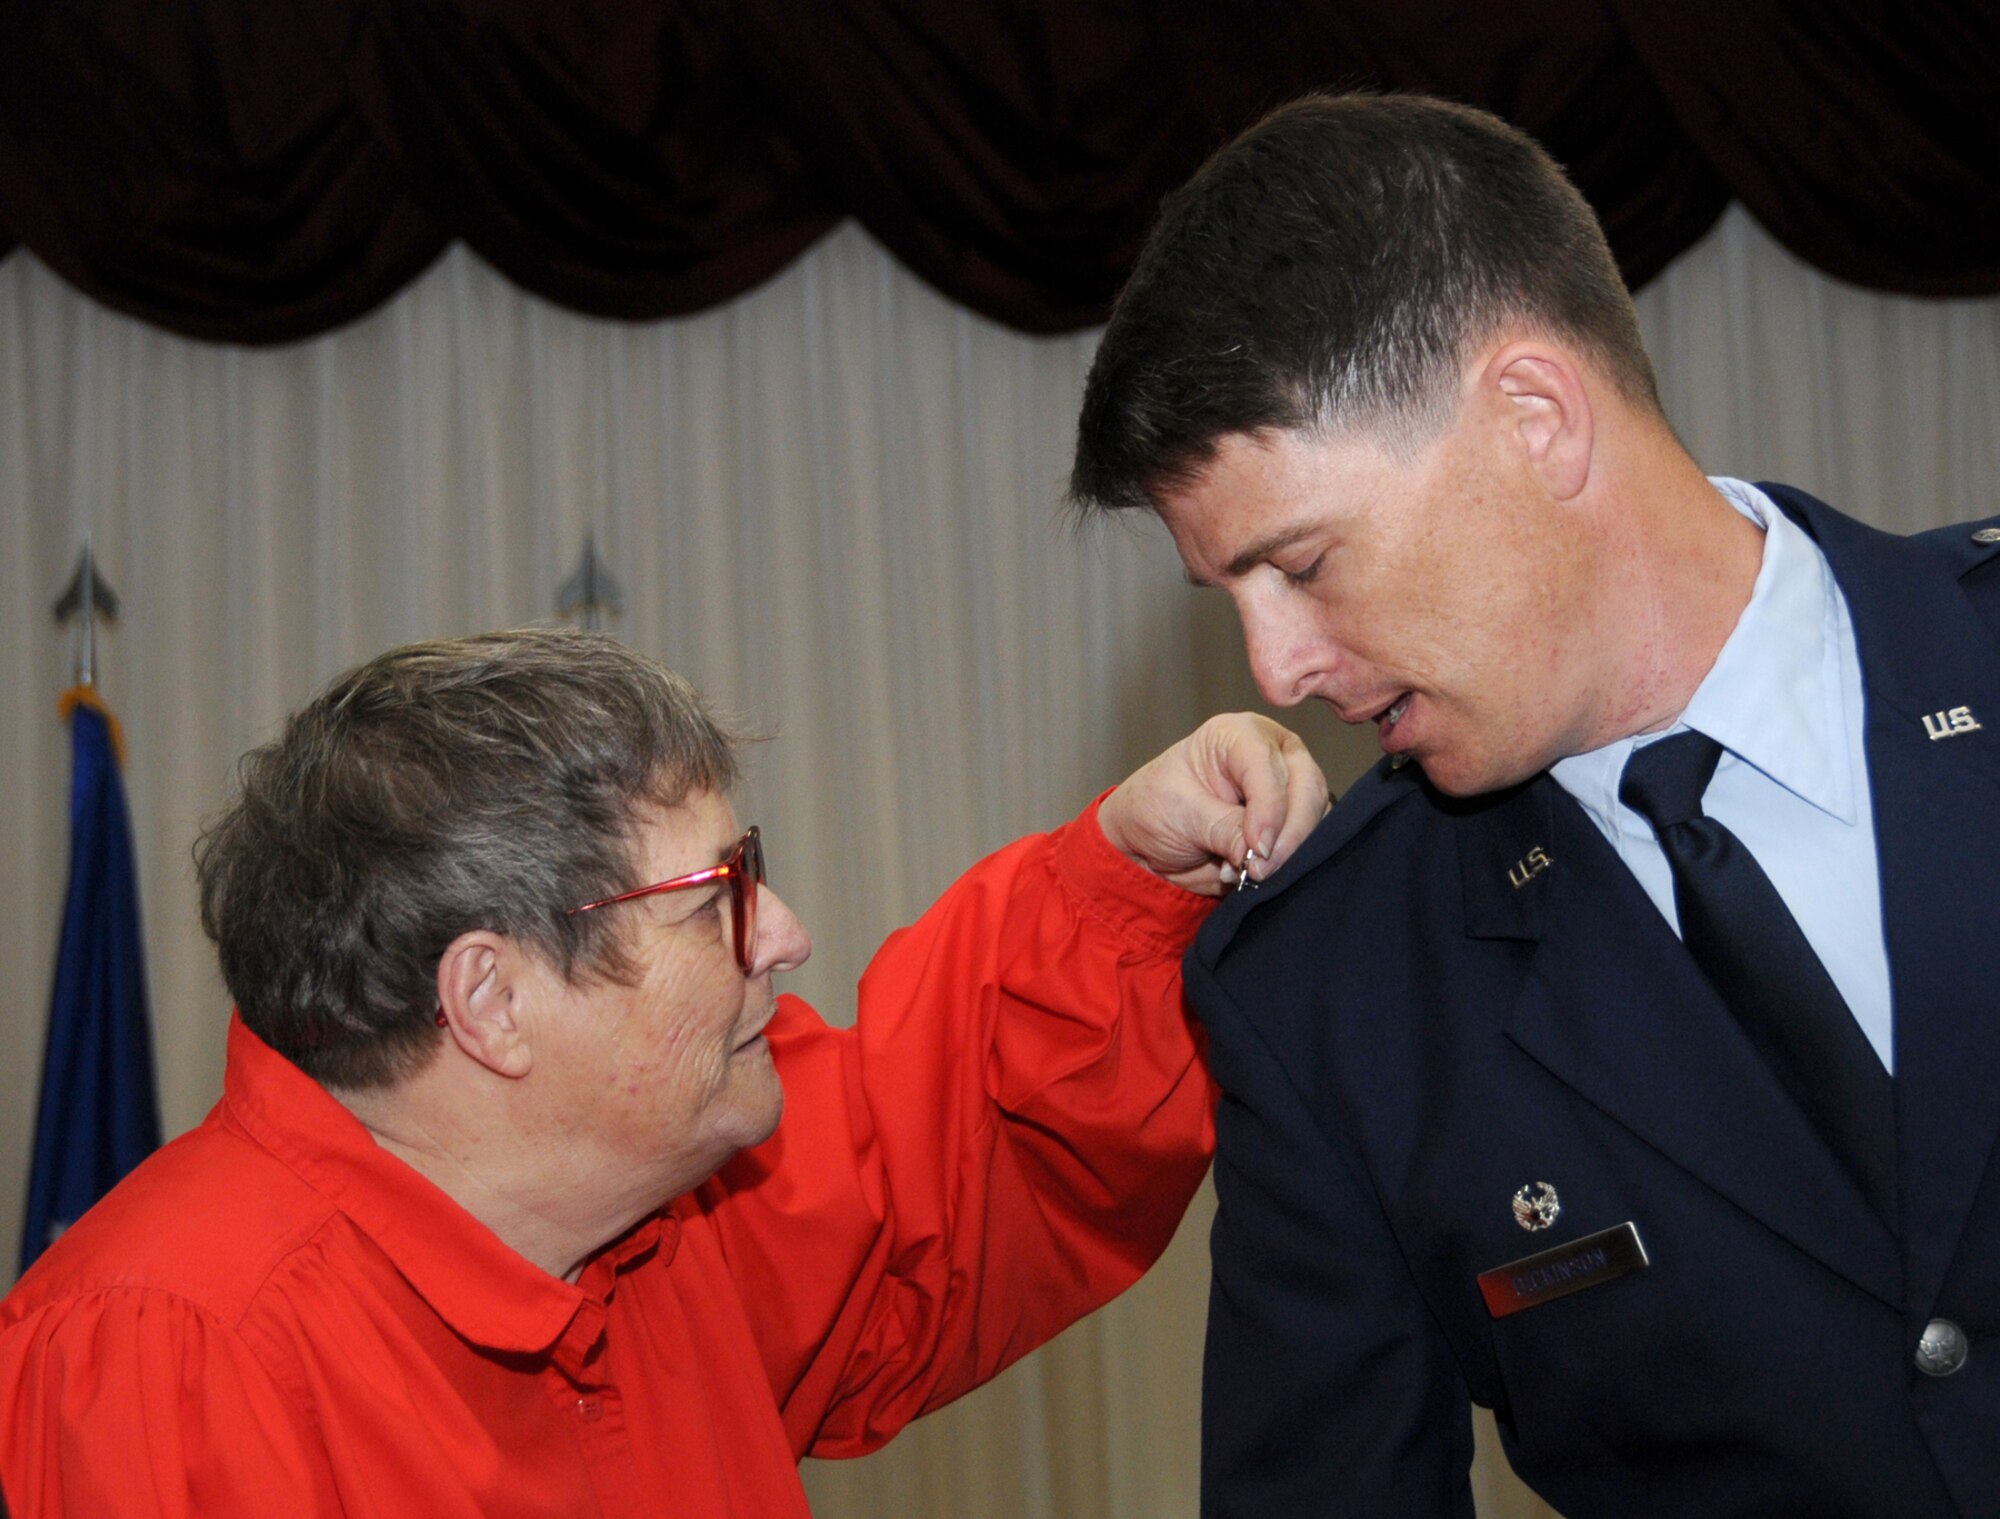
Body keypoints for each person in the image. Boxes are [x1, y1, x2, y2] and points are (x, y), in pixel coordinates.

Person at [1069, 90, 2000, 1519]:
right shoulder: (1335, 985)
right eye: (1233, 601)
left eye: (1305, 566)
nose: (1277, 669)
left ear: (1533, 417)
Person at [0, 626, 1329, 1518]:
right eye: (719, 897)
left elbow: (952, 1160)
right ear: (492, 1002)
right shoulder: (153, 1363)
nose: (790, 934)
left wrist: (1125, 879)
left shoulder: (666, 1214)